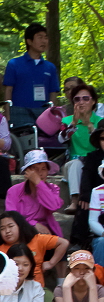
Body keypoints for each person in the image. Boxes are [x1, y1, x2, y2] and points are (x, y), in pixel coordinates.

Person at [2, 24, 59, 156]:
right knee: (21, 145)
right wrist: (7, 114)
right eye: (40, 37)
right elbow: (8, 90)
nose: (44, 41)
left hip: (43, 112)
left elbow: (53, 93)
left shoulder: (50, 67)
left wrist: (53, 114)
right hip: (19, 110)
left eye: (46, 37)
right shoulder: (14, 64)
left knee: (45, 143)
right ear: (29, 41)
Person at [59, 84, 101, 213]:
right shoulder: (67, 121)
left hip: (96, 163)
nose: (81, 102)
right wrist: (74, 123)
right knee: (76, 164)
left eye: (85, 98)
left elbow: (101, 143)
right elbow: (61, 139)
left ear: (93, 101)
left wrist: (89, 125)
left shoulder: (100, 121)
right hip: (74, 163)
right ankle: (75, 201)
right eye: (77, 99)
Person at [6, 150, 64, 236]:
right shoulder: (14, 191)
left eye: (43, 169)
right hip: (22, 231)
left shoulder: (53, 188)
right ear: (27, 172)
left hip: (47, 232)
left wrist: (38, 183)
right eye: (35, 169)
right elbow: (12, 217)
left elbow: (54, 206)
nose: (40, 173)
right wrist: (33, 224)